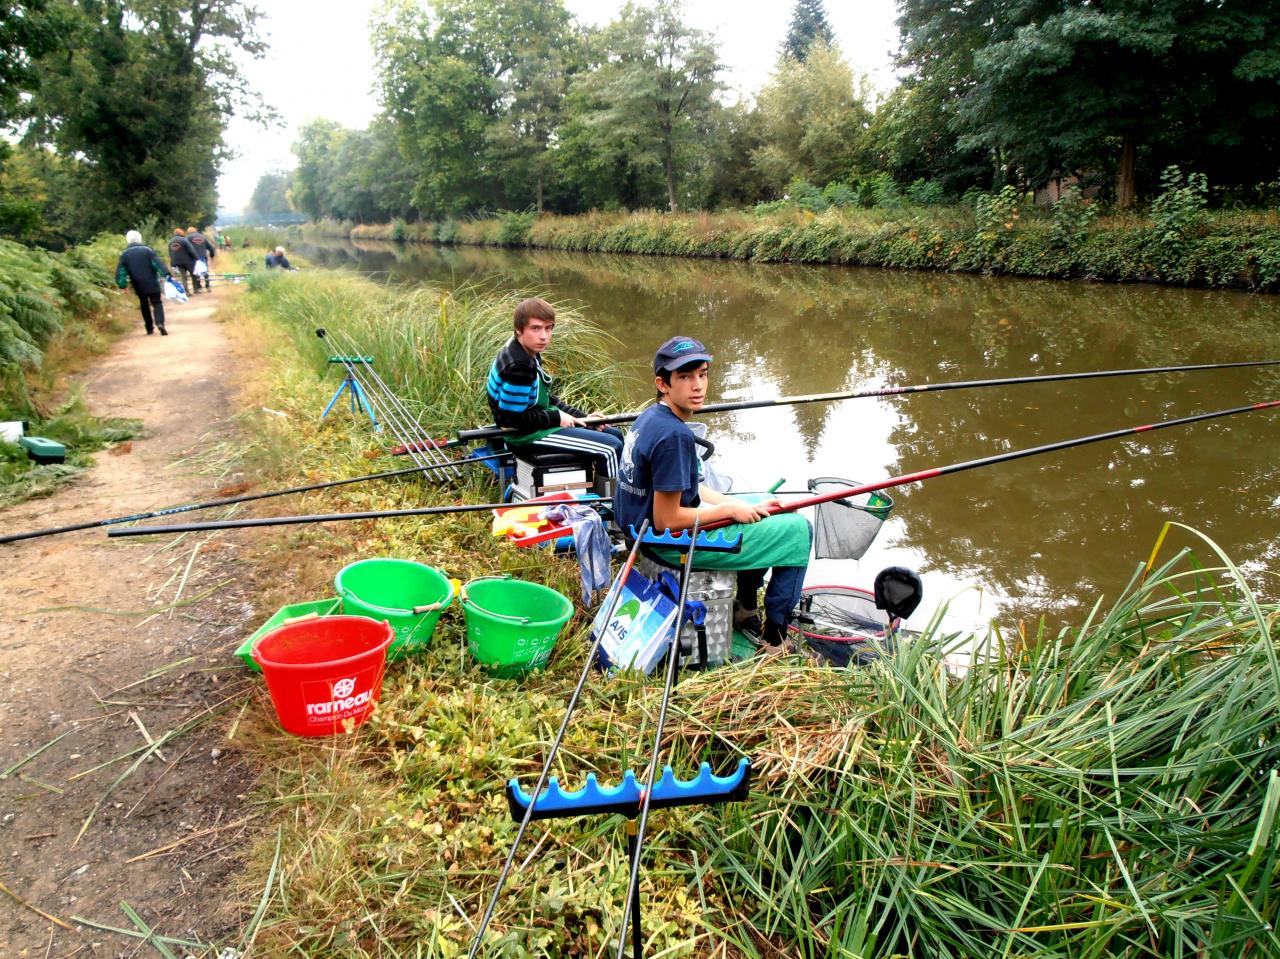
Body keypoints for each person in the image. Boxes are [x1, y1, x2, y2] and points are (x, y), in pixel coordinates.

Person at [613, 336, 812, 648]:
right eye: (685, 377)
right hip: (667, 542)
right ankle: (775, 639)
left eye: (702, 374)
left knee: (765, 506)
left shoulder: (651, 417)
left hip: (643, 534)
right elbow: (667, 519)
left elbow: (689, 486)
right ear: (663, 383)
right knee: (798, 531)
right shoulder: (673, 436)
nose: (698, 386)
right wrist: (729, 511)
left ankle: (745, 610)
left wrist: (739, 502)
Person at [485, 297, 624, 480]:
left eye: (548, 328)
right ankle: (615, 505)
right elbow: (510, 419)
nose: (544, 336)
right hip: (524, 436)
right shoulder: (519, 365)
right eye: (536, 328)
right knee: (610, 448)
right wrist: (556, 418)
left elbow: (546, 398)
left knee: (614, 434)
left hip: (536, 425)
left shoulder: (527, 350)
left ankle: (602, 493)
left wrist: (583, 418)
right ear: (519, 330)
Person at [115, 230, 172, 335]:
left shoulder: (125, 254)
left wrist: (122, 285)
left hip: (138, 283)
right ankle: (160, 323)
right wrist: (166, 274)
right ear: (139, 239)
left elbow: (121, 271)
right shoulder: (148, 250)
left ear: (127, 240)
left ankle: (149, 327)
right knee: (157, 302)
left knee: (144, 304)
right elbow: (157, 264)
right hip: (152, 282)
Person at [167, 228, 200, 295]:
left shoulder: (170, 241)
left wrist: (172, 263)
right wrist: (196, 257)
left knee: (183, 277)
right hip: (188, 261)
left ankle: (186, 292)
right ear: (181, 233)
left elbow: (170, 253)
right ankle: (196, 290)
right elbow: (191, 250)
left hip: (178, 262)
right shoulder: (184, 240)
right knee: (194, 275)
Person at [185, 226, 215, 291]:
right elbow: (210, 247)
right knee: (205, 271)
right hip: (203, 257)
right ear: (195, 230)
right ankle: (208, 286)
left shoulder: (187, 238)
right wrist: (212, 255)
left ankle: (199, 287)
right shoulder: (203, 237)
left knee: (196, 272)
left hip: (193, 258)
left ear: (188, 232)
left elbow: (185, 248)